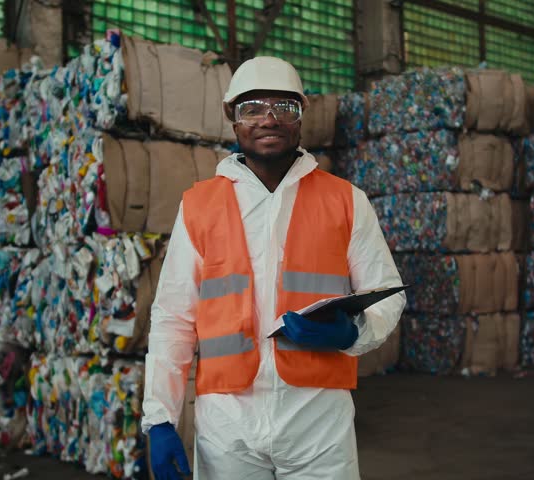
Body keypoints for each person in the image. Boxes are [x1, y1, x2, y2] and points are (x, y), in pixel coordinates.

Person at [141, 56, 406, 480]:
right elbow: (173, 318)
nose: (269, 119)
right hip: (229, 423)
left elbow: (388, 293)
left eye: (284, 107)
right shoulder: (199, 205)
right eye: (252, 108)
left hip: (317, 417)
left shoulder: (346, 200)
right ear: (233, 120)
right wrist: (159, 418)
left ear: (300, 118)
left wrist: (353, 331)